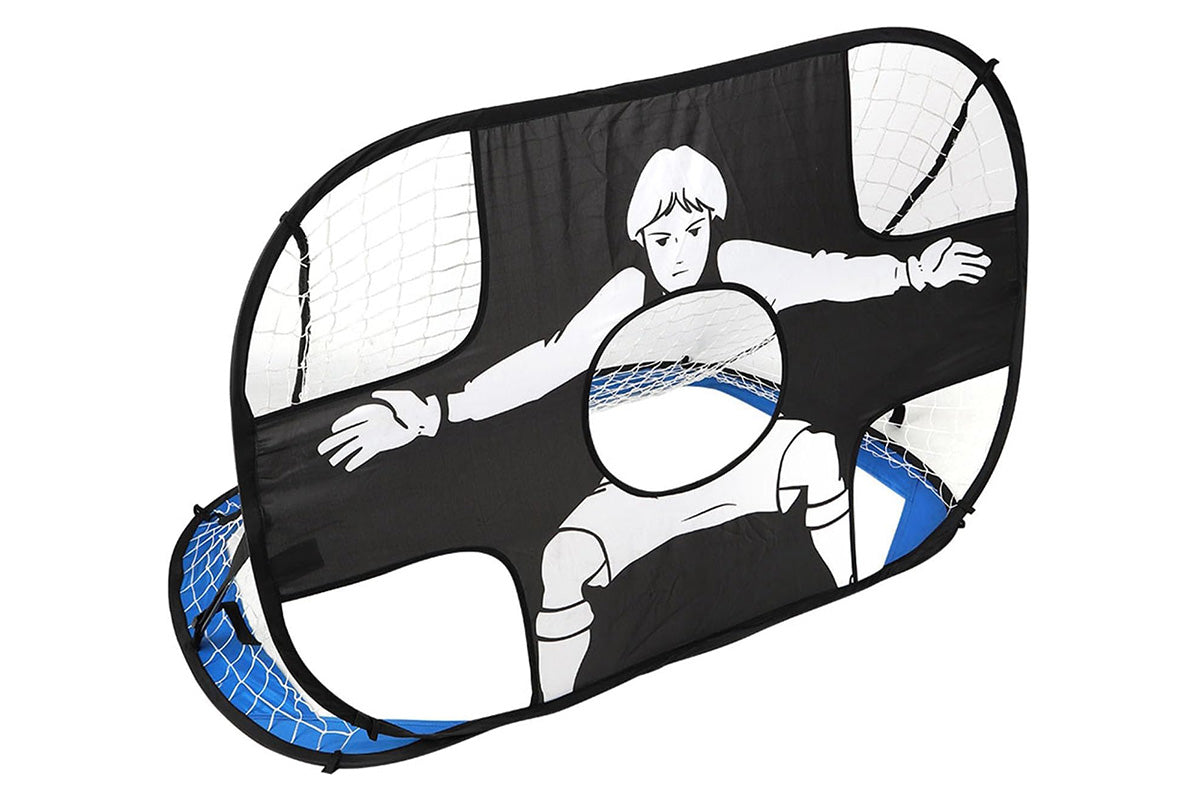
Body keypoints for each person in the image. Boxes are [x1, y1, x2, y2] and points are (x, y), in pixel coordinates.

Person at [317, 145, 990, 701]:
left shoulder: (739, 265)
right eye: (663, 238)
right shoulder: (629, 294)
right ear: (642, 239)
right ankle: (555, 703)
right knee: (563, 562)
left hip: (743, 454)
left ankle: (846, 593)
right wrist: (434, 412)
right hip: (641, 480)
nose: (680, 252)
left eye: (693, 233)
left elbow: (822, 276)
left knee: (817, 455)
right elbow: (548, 361)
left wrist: (912, 271)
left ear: (713, 225)